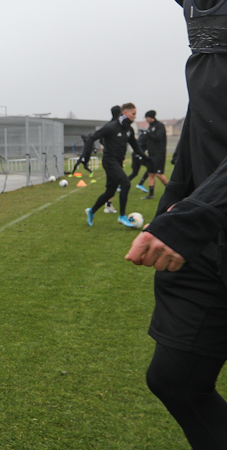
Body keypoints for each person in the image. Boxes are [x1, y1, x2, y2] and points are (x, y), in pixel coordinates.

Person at [126, 1, 227, 448]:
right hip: (208, 231)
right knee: (175, 378)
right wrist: (172, 204)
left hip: (209, 216)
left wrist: (196, 216)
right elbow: (206, 118)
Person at [84, 103, 149, 227]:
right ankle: (122, 216)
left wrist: (147, 158)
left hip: (118, 162)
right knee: (125, 183)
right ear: (125, 113)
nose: (135, 117)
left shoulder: (129, 129)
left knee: (110, 192)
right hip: (109, 161)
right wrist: (86, 156)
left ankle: (91, 211)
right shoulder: (111, 127)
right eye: (133, 114)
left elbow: (135, 146)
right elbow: (92, 137)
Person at [141, 110, 168, 200]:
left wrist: (148, 133)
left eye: (146, 118)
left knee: (159, 174)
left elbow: (158, 137)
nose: (146, 120)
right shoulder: (150, 127)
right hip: (151, 154)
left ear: (150, 117)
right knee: (151, 174)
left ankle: (171, 191)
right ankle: (151, 194)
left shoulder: (159, 126)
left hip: (159, 154)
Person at [128, 128, 150, 193]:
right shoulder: (146, 137)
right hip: (138, 155)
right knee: (150, 167)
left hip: (136, 154)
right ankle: (141, 183)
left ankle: (121, 186)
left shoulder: (142, 136)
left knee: (135, 173)